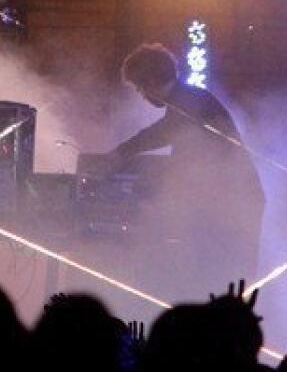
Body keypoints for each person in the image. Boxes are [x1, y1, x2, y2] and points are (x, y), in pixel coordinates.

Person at [101, 43, 265, 300]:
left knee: (222, 280)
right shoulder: (189, 99)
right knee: (217, 281)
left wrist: (120, 154)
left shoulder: (188, 102)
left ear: (152, 80)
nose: (142, 96)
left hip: (233, 205)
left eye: (140, 88)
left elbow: (164, 133)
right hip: (231, 203)